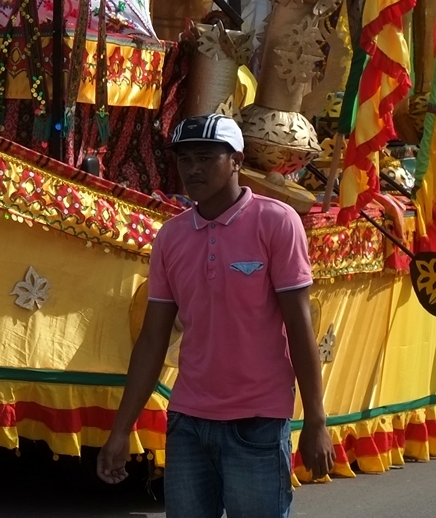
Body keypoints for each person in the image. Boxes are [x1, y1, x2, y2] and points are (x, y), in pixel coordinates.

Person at [97, 114, 334, 518]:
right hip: (188, 421)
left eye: (206, 158)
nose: (193, 169)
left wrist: (316, 420)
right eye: (184, 159)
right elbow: (153, 338)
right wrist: (122, 430)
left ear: (237, 160)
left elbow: (299, 326)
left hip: (258, 421)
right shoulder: (170, 237)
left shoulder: (276, 222)